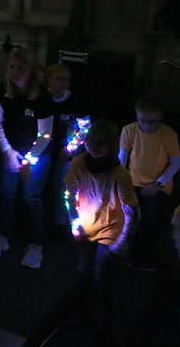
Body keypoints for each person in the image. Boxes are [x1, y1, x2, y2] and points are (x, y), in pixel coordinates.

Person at [0, 47, 54, 269]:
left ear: (31, 71)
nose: (14, 72)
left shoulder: (42, 97)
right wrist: (7, 151)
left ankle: (35, 244)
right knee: (6, 193)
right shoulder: (4, 90)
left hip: (36, 154)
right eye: (11, 67)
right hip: (10, 151)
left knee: (31, 197)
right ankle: (1, 235)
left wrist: (27, 161)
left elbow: (45, 135)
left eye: (20, 68)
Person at [65, 119, 138, 327]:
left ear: (111, 146)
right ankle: (82, 310)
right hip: (86, 227)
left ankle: (105, 321)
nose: (95, 148)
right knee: (83, 270)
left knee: (101, 276)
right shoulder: (79, 163)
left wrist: (122, 243)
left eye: (101, 144)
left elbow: (132, 212)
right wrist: (75, 225)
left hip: (110, 231)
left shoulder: (119, 175)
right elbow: (69, 194)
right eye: (91, 142)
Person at [119, 94, 180, 271]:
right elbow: (122, 157)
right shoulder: (129, 130)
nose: (145, 125)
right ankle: (128, 253)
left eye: (151, 122)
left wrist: (158, 184)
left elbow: (176, 162)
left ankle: (147, 256)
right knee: (129, 219)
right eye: (142, 121)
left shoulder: (168, 135)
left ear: (160, 117)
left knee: (151, 221)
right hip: (133, 181)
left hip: (158, 185)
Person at [44, 63, 90, 239]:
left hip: (65, 154)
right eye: (59, 79)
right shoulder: (43, 99)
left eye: (67, 80)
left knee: (62, 189)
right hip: (42, 151)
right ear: (48, 80)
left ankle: (60, 223)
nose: (63, 83)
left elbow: (85, 127)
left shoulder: (75, 102)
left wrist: (70, 149)